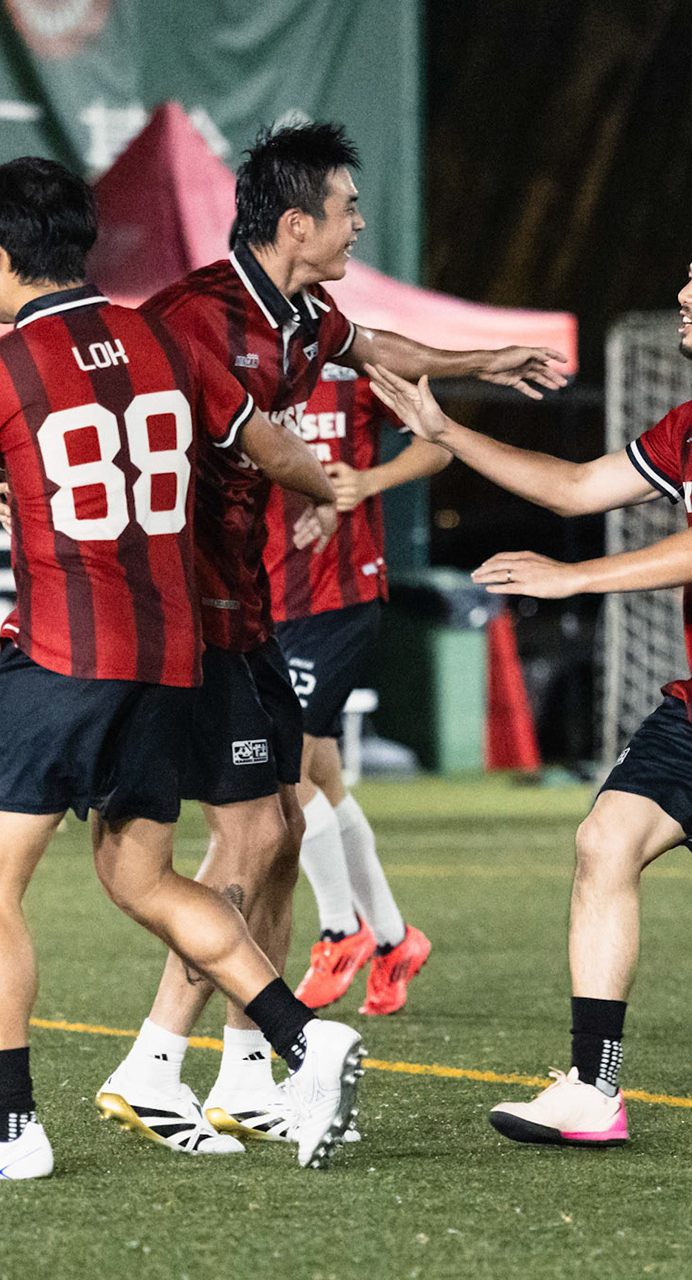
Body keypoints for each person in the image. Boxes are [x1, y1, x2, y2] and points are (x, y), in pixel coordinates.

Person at [68, 120, 564, 1148]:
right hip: (186, 615)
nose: (360, 223)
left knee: (284, 826)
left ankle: (239, 1070)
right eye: (347, 209)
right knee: (243, 831)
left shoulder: (303, 314)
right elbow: (109, 418)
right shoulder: (190, 320)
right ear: (296, 222)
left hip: (246, 606)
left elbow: (386, 350)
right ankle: (162, 1060)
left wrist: (486, 360)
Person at [368, 226, 692, 1157]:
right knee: (603, 839)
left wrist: (573, 581)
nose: (686, 291)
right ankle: (592, 1088)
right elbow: (577, 488)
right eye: (687, 272)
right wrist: (450, 433)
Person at [0, 158, 361, 1180]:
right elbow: (236, 443)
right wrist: (325, 483)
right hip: (169, 659)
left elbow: (12, 472)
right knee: (142, 874)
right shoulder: (166, 336)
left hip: (59, 654)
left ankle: (10, 1132)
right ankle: (302, 1033)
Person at [269, 365, 448, 1016]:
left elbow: (439, 441)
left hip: (336, 599)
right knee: (320, 773)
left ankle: (342, 930)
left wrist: (368, 481)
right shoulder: (239, 361)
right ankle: (396, 940)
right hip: (267, 597)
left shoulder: (351, 364)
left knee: (285, 767)